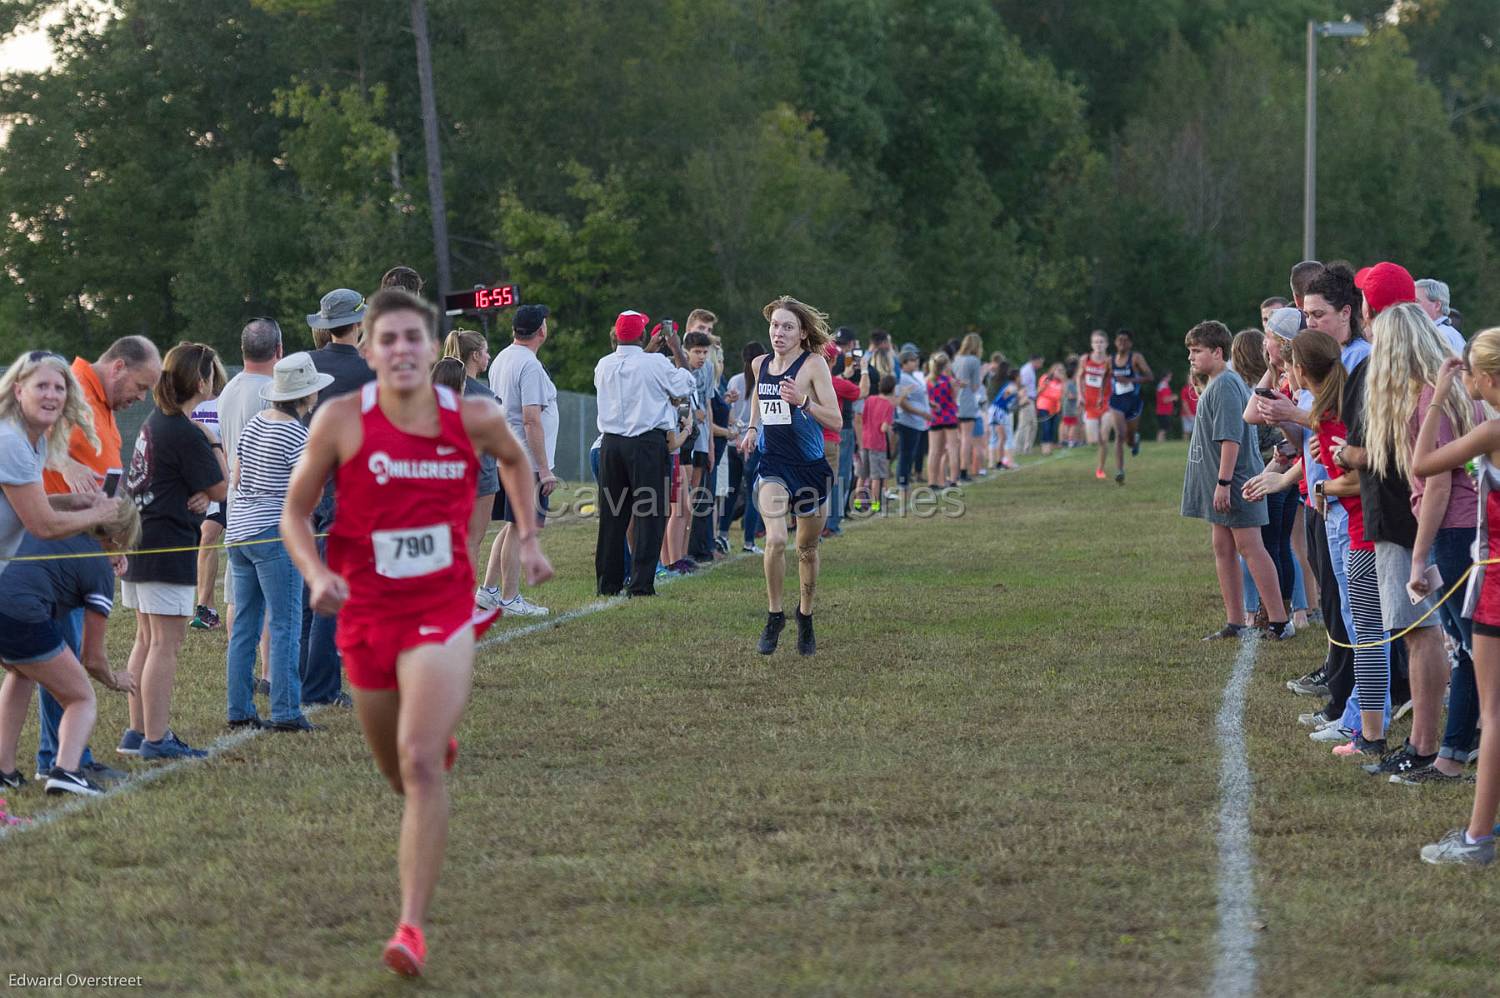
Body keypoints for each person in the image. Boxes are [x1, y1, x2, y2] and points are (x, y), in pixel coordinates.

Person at [281, 288, 553, 974]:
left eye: (414, 338)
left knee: (420, 763)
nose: (402, 349)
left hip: (440, 605)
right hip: (366, 613)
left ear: (435, 351)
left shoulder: (476, 416)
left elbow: (516, 463)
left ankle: (410, 929)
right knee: (396, 771)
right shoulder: (342, 420)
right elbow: (293, 512)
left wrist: (527, 535)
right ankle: (428, 742)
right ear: (370, 352)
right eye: (388, 339)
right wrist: (316, 573)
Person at [37, 335, 160, 784]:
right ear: (119, 367)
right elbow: (27, 432)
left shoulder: (101, 403)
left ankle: (59, 754)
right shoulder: (67, 386)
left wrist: (110, 545)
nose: (140, 398)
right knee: (64, 659)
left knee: (53, 658)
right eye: (140, 386)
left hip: (82, 544)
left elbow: (103, 480)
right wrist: (61, 460)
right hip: (54, 548)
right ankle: (64, 759)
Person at [1411, 336, 1500, 865]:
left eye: (1469, 374)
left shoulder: (1491, 430)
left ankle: (1477, 839)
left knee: (1494, 715)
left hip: (1495, 579)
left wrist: (1440, 396)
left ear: (1486, 379)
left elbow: (1422, 463)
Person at [120, 342, 228, 760]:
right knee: (166, 643)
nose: (216, 381)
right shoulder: (184, 430)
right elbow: (222, 486)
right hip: (166, 544)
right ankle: (156, 738)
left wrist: (196, 491)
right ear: (201, 381)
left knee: (147, 638)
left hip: (142, 539)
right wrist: (211, 439)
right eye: (213, 374)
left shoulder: (156, 420)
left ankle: (137, 731)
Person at [0, 498, 139, 796]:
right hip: (20, 612)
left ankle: (4, 771)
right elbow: (93, 658)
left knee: (21, 672)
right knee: (81, 698)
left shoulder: (53, 532)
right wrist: (115, 680)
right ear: (118, 538)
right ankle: (67, 771)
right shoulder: (100, 569)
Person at [224, 352, 332, 733]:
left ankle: (238, 707)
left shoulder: (254, 423)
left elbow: (235, 477)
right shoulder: (297, 434)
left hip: (238, 532)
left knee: (245, 627)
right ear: (306, 397)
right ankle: (286, 711)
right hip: (273, 533)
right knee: (285, 622)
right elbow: (310, 495)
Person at [740, 296, 840, 656]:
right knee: (776, 539)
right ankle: (774, 615)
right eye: (774, 325)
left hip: (810, 468)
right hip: (773, 466)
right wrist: (752, 429)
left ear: (801, 333)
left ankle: (806, 614)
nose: (778, 333)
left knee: (807, 550)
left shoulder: (813, 365)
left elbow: (836, 420)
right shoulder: (759, 364)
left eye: (787, 327)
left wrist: (804, 402)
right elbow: (757, 399)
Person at [1179, 321, 1289, 641]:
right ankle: (1235, 621)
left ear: (1218, 352)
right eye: (1189, 351)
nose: (1191, 357)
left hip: (1236, 481)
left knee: (1250, 547)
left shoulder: (1227, 384)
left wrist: (1224, 482)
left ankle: (1279, 621)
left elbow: (1231, 438)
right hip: (1223, 483)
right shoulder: (1216, 382)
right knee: (1222, 546)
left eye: (1197, 351)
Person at [302, 289, 376, 709]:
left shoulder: (304, 364)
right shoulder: (369, 370)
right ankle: (321, 687)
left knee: (306, 592)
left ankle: (300, 676)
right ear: (358, 323)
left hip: (303, 483)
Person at [594, 311, 697, 596]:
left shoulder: (603, 365)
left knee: (613, 516)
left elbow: (632, 366)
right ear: (643, 335)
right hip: (646, 444)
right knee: (649, 514)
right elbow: (686, 384)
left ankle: (608, 583)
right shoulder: (655, 363)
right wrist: (676, 349)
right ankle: (640, 584)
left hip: (611, 444)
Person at [215, 319, 281, 695]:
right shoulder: (273, 392)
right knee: (273, 601)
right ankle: (271, 673)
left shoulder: (229, 391)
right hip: (266, 507)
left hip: (236, 507)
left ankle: (242, 673)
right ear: (278, 350)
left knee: (237, 600)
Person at [482, 304, 557, 616]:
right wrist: (544, 468)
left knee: (513, 525)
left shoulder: (503, 356)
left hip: (505, 454)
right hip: (523, 460)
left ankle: (489, 590)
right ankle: (510, 598)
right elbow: (530, 419)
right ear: (541, 330)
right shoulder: (529, 365)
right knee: (521, 527)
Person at [439, 330, 501, 590]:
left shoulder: (439, 383)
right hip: (479, 476)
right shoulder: (483, 395)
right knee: (471, 541)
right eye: (485, 351)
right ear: (475, 356)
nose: (488, 356)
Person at [725, 343, 767, 553]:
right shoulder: (764, 381)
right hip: (753, 443)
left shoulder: (734, 380)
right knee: (752, 495)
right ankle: (749, 541)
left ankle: (722, 534)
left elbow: (728, 412)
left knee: (732, 491)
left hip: (733, 442)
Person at [1108, 329, 1153, 480]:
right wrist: (1101, 397)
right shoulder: (1110, 360)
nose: (1122, 342)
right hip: (1116, 402)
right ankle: (1119, 471)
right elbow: (1104, 378)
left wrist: (1130, 381)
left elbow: (1150, 376)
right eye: (1119, 339)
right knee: (1119, 435)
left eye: (1125, 340)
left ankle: (1135, 441)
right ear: (1115, 342)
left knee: (1129, 438)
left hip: (1133, 402)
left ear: (1130, 343)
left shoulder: (1135, 358)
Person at [891, 349, 931, 505]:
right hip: (908, 422)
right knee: (905, 456)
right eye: (913, 360)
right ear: (904, 363)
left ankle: (905, 487)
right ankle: (902, 488)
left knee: (910, 456)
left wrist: (929, 406)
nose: (917, 362)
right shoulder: (903, 378)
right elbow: (902, 402)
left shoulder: (912, 376)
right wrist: (922, 413)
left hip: (916, 423)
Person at [856, 374, 896, 513]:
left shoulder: (870, 399)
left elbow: (862, 417)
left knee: (862, 475)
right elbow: (884, 428)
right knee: (876, 477)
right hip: (878, 444)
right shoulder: (888, 405)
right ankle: (875, 505)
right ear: (893, 389)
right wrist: (890, 427)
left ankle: (856, 502)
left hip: (866, 440)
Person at [1077, 331, 1112, 478]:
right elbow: (1079, 377)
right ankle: (1099, 462)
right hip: (1090, 404)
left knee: (1104, 438)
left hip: (1107, 403)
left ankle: (1100, 469)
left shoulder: (1110, 360)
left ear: (1106, 344)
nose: (1098, 345)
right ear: (1091, 344)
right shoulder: (1085, 359)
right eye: (1096, 342)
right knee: (1093, 441)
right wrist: (1080, 395)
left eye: (1101, 342)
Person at [953, 334, 985, 481]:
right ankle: (964, 470)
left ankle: (954, 469)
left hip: (954, 400)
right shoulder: (974, 360)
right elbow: (975, 386)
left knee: (957, 438)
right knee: (966, 438)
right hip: (967, 401)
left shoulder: (956, 359)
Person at [925, 353, 960, 485]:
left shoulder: (927, 381)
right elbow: (954, 399)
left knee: (934, 451)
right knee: (952, 449)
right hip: (949, 416)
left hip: (934, 417)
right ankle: (953, 479)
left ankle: (932, 481)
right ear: (946, 365)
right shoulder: (950, 381)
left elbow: (926, 400)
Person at [1415, 277, 1463, 356]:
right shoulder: (1443, 333)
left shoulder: (1442, 336)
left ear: (1437, 305)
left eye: (1416, 302)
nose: (1411, 306)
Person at [1033, 361, 1065, 458]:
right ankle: (1045, 449)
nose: (1060, 372)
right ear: (1053, 370)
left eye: (1062, 370)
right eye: (1058, 370)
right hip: (1044, 405)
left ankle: (1049, 448)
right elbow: (1038, 391)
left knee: (1052, 429)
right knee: (1046, 428)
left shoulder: (1062, 382)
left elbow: (1064, 394)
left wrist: (1063, 380)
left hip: (1055, 408)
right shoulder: (1045, 378)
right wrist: (1044, 385)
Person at [1014, 354, 1041, 455]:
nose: (1041, 364)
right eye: (1040, 362)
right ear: (1035, 361)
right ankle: (1017, 448)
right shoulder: (1026, 370)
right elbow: (1021, 385)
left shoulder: (1031, 370)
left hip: (1031, 400)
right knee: (1024, 424)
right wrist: (1023, 399)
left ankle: (1027, 448)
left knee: (1032, 425)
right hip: (1027, 400)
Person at [1155, 371, 1177, 442]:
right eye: (1170, 376)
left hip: (1164, 411)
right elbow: (1165, 400)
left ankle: (1161, 441)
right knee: (1164, 428)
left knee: (1164, 428)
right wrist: (1173, 397)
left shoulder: (1163, 385)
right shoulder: (1163, 385)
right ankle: (1159, 441)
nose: (1170, 378)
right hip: (1162, 411)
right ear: (1165, 377)